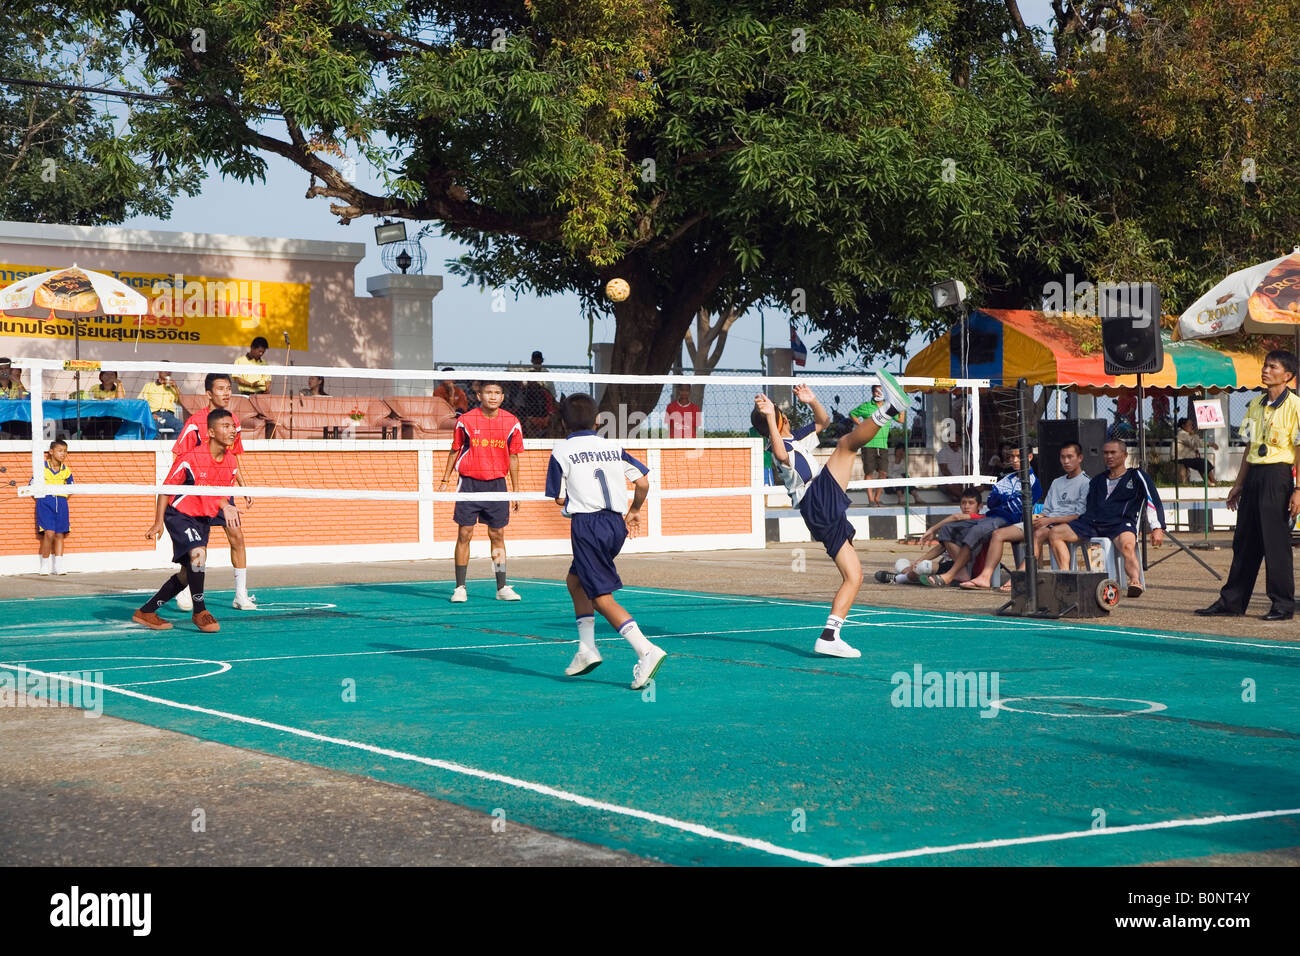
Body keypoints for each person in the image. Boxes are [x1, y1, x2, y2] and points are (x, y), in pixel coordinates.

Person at [751, 368, 910, 658]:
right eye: (779, 415)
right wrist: (770, 420)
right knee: (847, 445)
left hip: (820, 503)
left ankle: (829, 635)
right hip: (816, 500)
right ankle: (890, 409)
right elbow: (781, 452)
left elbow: (823, 421)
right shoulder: (779, 447)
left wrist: (812, 401)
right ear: (778, 421)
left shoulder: (796, 438)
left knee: (855, 576)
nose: (784, 415)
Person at [546, 393, 666, 688]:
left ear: (563, 423)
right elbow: (643, 481)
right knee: (575, 582)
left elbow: (558, 496)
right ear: (598, 420)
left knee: (601, 597)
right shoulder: (613, 446)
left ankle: (645, 650)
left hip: (588, 526)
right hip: (615, 525)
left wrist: (572, 500)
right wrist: (635, 510)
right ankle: (586, 649)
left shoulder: (562, 451)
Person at [1196, 350, 1300, 621]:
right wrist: (1238, 484)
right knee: (1244, 541)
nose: (1265, 370)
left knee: (1275, 543)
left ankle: (1282, 604)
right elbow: (1250, 448)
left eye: (1272, 367)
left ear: (1288, 376)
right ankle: (1232, 601)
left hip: (1278, 477)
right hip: (1254, 475)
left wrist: (1299, 490)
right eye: (1265, 365)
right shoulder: (1255, 404)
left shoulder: (1296, 407)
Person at [132, 409, 241, 633]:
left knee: (188, 572)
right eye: (226, 426)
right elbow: (166, 490)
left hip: (202, 518)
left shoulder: (231, 463)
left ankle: (146, 611)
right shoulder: (191, 458)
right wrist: (158, 522)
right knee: (198, 553)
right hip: (179, 514)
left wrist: (227, 505)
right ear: (211, 432)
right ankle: (200, 611)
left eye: (233, 427)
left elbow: (218, 494)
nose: (232, 430)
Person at [171, 373, 257, 611]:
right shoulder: (194, 423)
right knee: (198, 546)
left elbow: (234, 457)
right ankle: (188, 591)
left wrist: (243, 485)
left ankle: (241, 594)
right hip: (197, 493)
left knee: (237, 536)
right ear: (209, 393)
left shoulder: (233, 422)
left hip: (223, 492)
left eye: (229, 388)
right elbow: (180, 457)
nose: (226, 393)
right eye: (221, 388)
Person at [961, 442, 1090, 591]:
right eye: (1063, 457)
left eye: (1070, 457)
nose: (1066, 461)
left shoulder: (1086, 482)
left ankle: (1021, 577)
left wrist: (1049, 520)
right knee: (999, 534)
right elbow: (1046, 510)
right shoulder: (1057, 482)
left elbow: (1079, 515)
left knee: (1038, 533)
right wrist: (1037, 517)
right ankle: (985, 576)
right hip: (1046, 521)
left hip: (1065, 526)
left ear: (1080, 458)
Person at [1047, 438, 1165, 598]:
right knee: (1055, 533)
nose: (1109, 456)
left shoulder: (1136, 476)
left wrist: (1157, 527)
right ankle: (1066, 577)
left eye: (1113, 452)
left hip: (1121, 523)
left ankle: (1135, 581)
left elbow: (1153, 500)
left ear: (1124, 455)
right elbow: (1088, 508)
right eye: (1105, 453)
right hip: (1092, 524)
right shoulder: (1097, 480)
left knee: (1127, 546)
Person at [440, 380, 524, 602]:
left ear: (503, 397)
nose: (493, 396)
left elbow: (514, 458)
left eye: (497, 393)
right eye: (488, 392)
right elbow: (455, 450)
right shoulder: (466, 420)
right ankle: (460, 587)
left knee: (497, 534)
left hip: (497, 485)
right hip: (469, 483)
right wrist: (445, 479)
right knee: (464, 534)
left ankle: (502, 586)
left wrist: (516, 491)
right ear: (479, 396)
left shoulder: (512, 422)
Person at [923, 444, 1042, 587]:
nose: (1014, 460)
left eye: (1019, 457)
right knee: (948, 529)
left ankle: (951, 574)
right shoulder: (1006, 478)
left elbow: (1014, 508)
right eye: (1012, 456)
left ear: (1029, 457)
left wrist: (1002, 498)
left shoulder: (1033, 483)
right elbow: (991, 501)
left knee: (977, 530)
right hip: (990, 517)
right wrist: (1006, 498)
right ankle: (963, 573)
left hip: (1010, 521)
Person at [879, 488, 983, 585]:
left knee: (923, 567)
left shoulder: (981, 520)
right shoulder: (958, 525)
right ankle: (903, 575)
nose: (966, 506)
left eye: (971, 503)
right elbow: (941, 548)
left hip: (969, 567)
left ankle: (898, 578)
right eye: (963, 503)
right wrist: (919, 560)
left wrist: (933, 528)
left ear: (980, 506)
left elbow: (956, 516)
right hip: (951, 564)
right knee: (909, 564)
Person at [849, 385, 902, 505]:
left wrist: (902, 406)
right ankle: (871, 500)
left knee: (883, 472)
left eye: (881, 391)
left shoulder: (888, 407)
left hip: (883, 445)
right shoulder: (867, 406)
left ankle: (877, 498)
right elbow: (852, 413)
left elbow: (901, 420)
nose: (878, 393)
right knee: (869, 472)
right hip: (868, 444)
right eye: (876, 391)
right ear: (873, 393)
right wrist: (860, 425)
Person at [35, 439, 72, 575]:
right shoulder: (41, 469)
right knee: (48, 533)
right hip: (45, 502)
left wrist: (62, 495)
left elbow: (71, 487)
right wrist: (43, 497)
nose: (63, 454)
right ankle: (44, 565)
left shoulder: (66, 470)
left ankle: (58, 566)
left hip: (61, 502)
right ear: (51, 452)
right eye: (60, 451)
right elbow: (32, 485)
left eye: (65, 451)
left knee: (59, 534)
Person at [138, 368, 183, 436]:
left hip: (169, 416)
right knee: (153, 428)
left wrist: (176, 387)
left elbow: (182, 402)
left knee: (181, 427)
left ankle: (172, 446)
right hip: (155, 415)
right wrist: (150, 414)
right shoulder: (149, 386)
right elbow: (140, 403)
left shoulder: (173, 388)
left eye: (169, 370)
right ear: (159, 371)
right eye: (165, 369)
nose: (167, 372)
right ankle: (156, 446)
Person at [1175, 416, 1217, 484]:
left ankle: (1213, 480)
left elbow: (1197, 442)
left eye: (1192, 425)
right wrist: (1194, 435)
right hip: (1180, 458)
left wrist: (1209, 444)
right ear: (1183, 426)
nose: (1191, 426)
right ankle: (1208, 482)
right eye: (1189, 425)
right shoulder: (1182, 434)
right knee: (1200, 462)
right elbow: (1194, 443)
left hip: (1186, 457)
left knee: (1204, 461)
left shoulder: (1187, 434)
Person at [936, 437, 965, 503]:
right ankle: (964, 499)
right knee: (951, 486)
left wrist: (966, 480)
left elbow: (967, 467)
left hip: (961, 481)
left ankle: (959, 498)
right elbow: (944, 470)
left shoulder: (963, 452)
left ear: (960, 440)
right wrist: (955, 481)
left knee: (980, 486)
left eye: (956, 438)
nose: (954, 440)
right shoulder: (943, 452)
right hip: (947, 481)